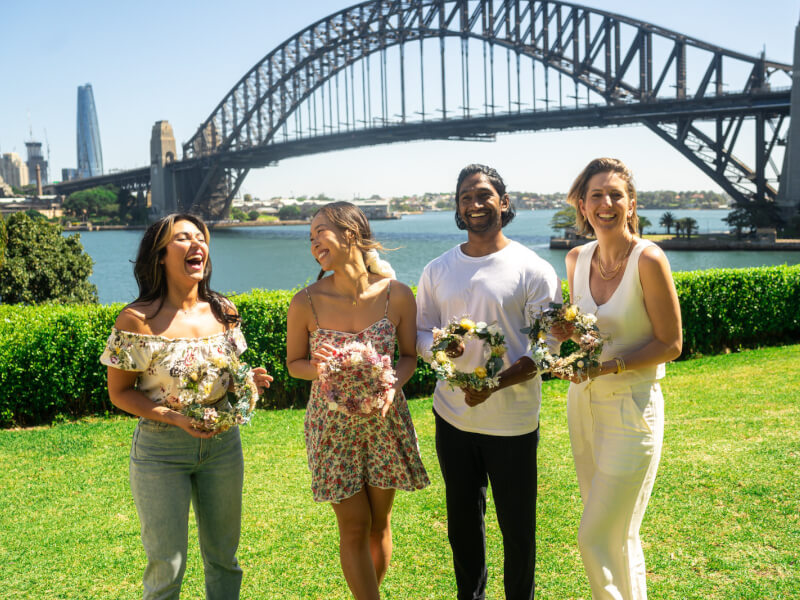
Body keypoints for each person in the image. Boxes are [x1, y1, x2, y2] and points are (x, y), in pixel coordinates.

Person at [101, 213, 272, 600]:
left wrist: (250, 382)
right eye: (182, 238)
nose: (197, 244)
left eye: (201, 237)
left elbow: (231, 374)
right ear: (160, 255)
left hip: (223, 447)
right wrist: (172, 417)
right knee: (167, 567)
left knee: (224, 558)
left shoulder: (224, 311)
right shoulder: (137, 319)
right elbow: (120, 392)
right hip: (161, 450)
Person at [416, 164, 561, 600]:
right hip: (452, 417)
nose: (474, 204)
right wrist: (441, 350)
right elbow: (422, 331)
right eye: (465, 197)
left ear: (504, 201)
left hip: (512, 423)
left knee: (518, 529)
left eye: (483, 195)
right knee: (462, 525)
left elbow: (547, 347)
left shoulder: (532, 269)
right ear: (457, 208)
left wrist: (495, 385)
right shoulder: (437, 269)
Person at [285, 201, 429, 600]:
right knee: (353, 524)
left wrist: (390, 387)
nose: (314, 243)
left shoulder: (397, 295)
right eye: (310, 238)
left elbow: (408, 358)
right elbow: (294, 364)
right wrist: (320, 369)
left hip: (386, 423)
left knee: (379, 524)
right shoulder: (305, 302)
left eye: (320, 233)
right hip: (330, 429)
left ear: (350, 234)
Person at [559, 158, 682, 599]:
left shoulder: (648, 258)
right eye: (596, 195)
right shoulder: (576, 259)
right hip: (584, 410)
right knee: (619, 534)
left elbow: (671, 343)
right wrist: (562, 339)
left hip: (633, 409)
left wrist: (610, 366)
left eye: (616, 195)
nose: (606, 203)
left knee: (593, 535)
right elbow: (580, 336)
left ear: (631, 205)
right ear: (582, 204)